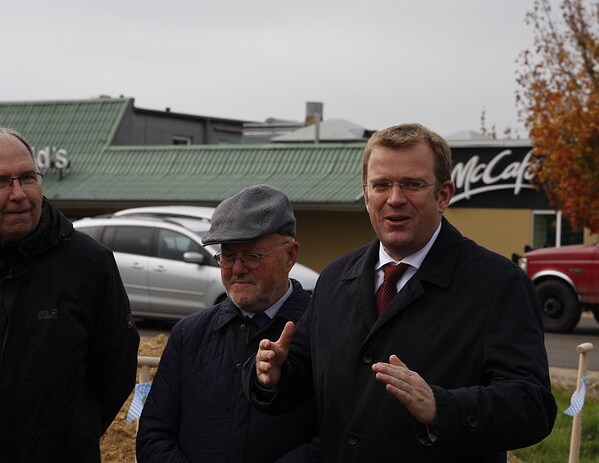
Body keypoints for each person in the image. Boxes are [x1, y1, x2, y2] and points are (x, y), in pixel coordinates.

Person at [251, 123, 556, 462]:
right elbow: (308, 384)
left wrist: (442, 408)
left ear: (443, 195)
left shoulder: (500, 284)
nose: (395, 199)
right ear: (366, 195)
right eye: (381, 185)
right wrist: (276, 375)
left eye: (412, 184)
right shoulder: (335, 278)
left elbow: (533, 406)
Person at [137, 184, 318, 463]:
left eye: (252, 256)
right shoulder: (190, 334)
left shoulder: (322, 329)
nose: (237, 269)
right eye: (228, 256)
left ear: (290, 256)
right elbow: (153, 435)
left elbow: (339, 437)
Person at [0, 127, 139, 461]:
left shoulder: (90, 265)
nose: (18, 193)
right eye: (2, 181)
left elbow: (116, 369)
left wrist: (71, 434)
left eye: (28, 178)